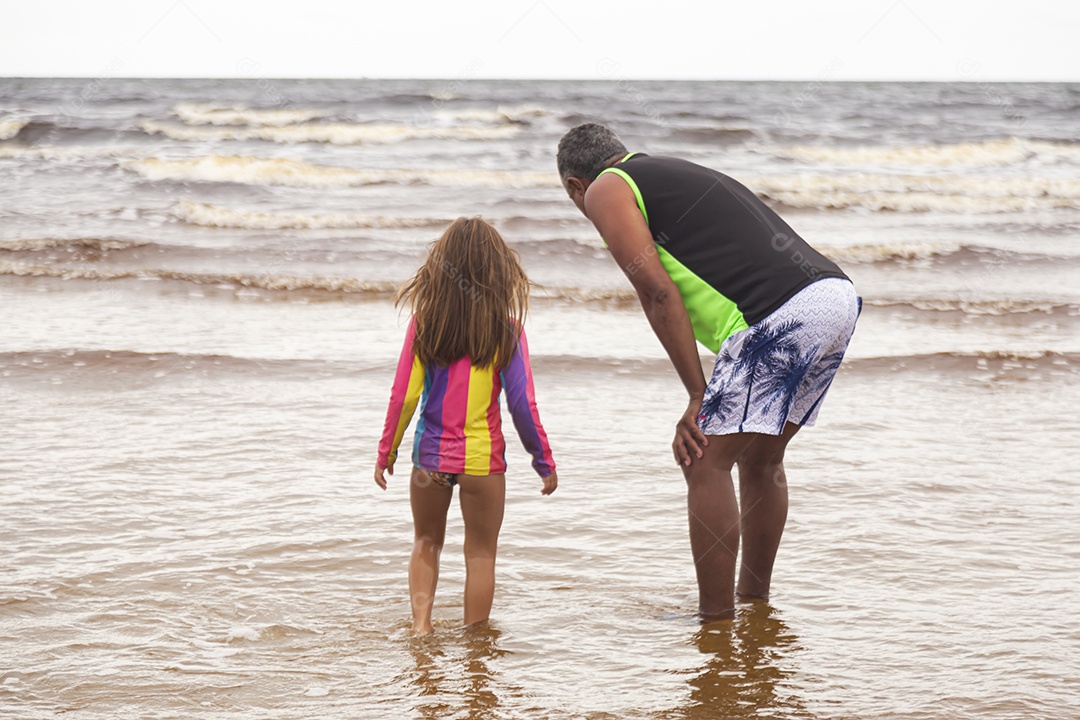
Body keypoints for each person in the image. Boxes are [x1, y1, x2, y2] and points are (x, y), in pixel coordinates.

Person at [556, 123, 860, 620]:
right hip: (834, 298)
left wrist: (697, 395)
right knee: (760, 459)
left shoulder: (605, 188)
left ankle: (714, 622)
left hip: (779, 312)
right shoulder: (668, 173)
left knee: (703, 460)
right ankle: (753, 603)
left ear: (575, 185)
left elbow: (657, 292)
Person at [375, 216, 558, 636]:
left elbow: (404, 396)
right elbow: (522, 405)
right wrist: (542, 461)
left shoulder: (424, 324)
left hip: (430, 459)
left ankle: (421, 627)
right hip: (482, 462)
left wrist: (387, 451)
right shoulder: (507, 332)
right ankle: (475, 643)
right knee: (480, 554)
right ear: (499, 273)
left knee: (426, 541)